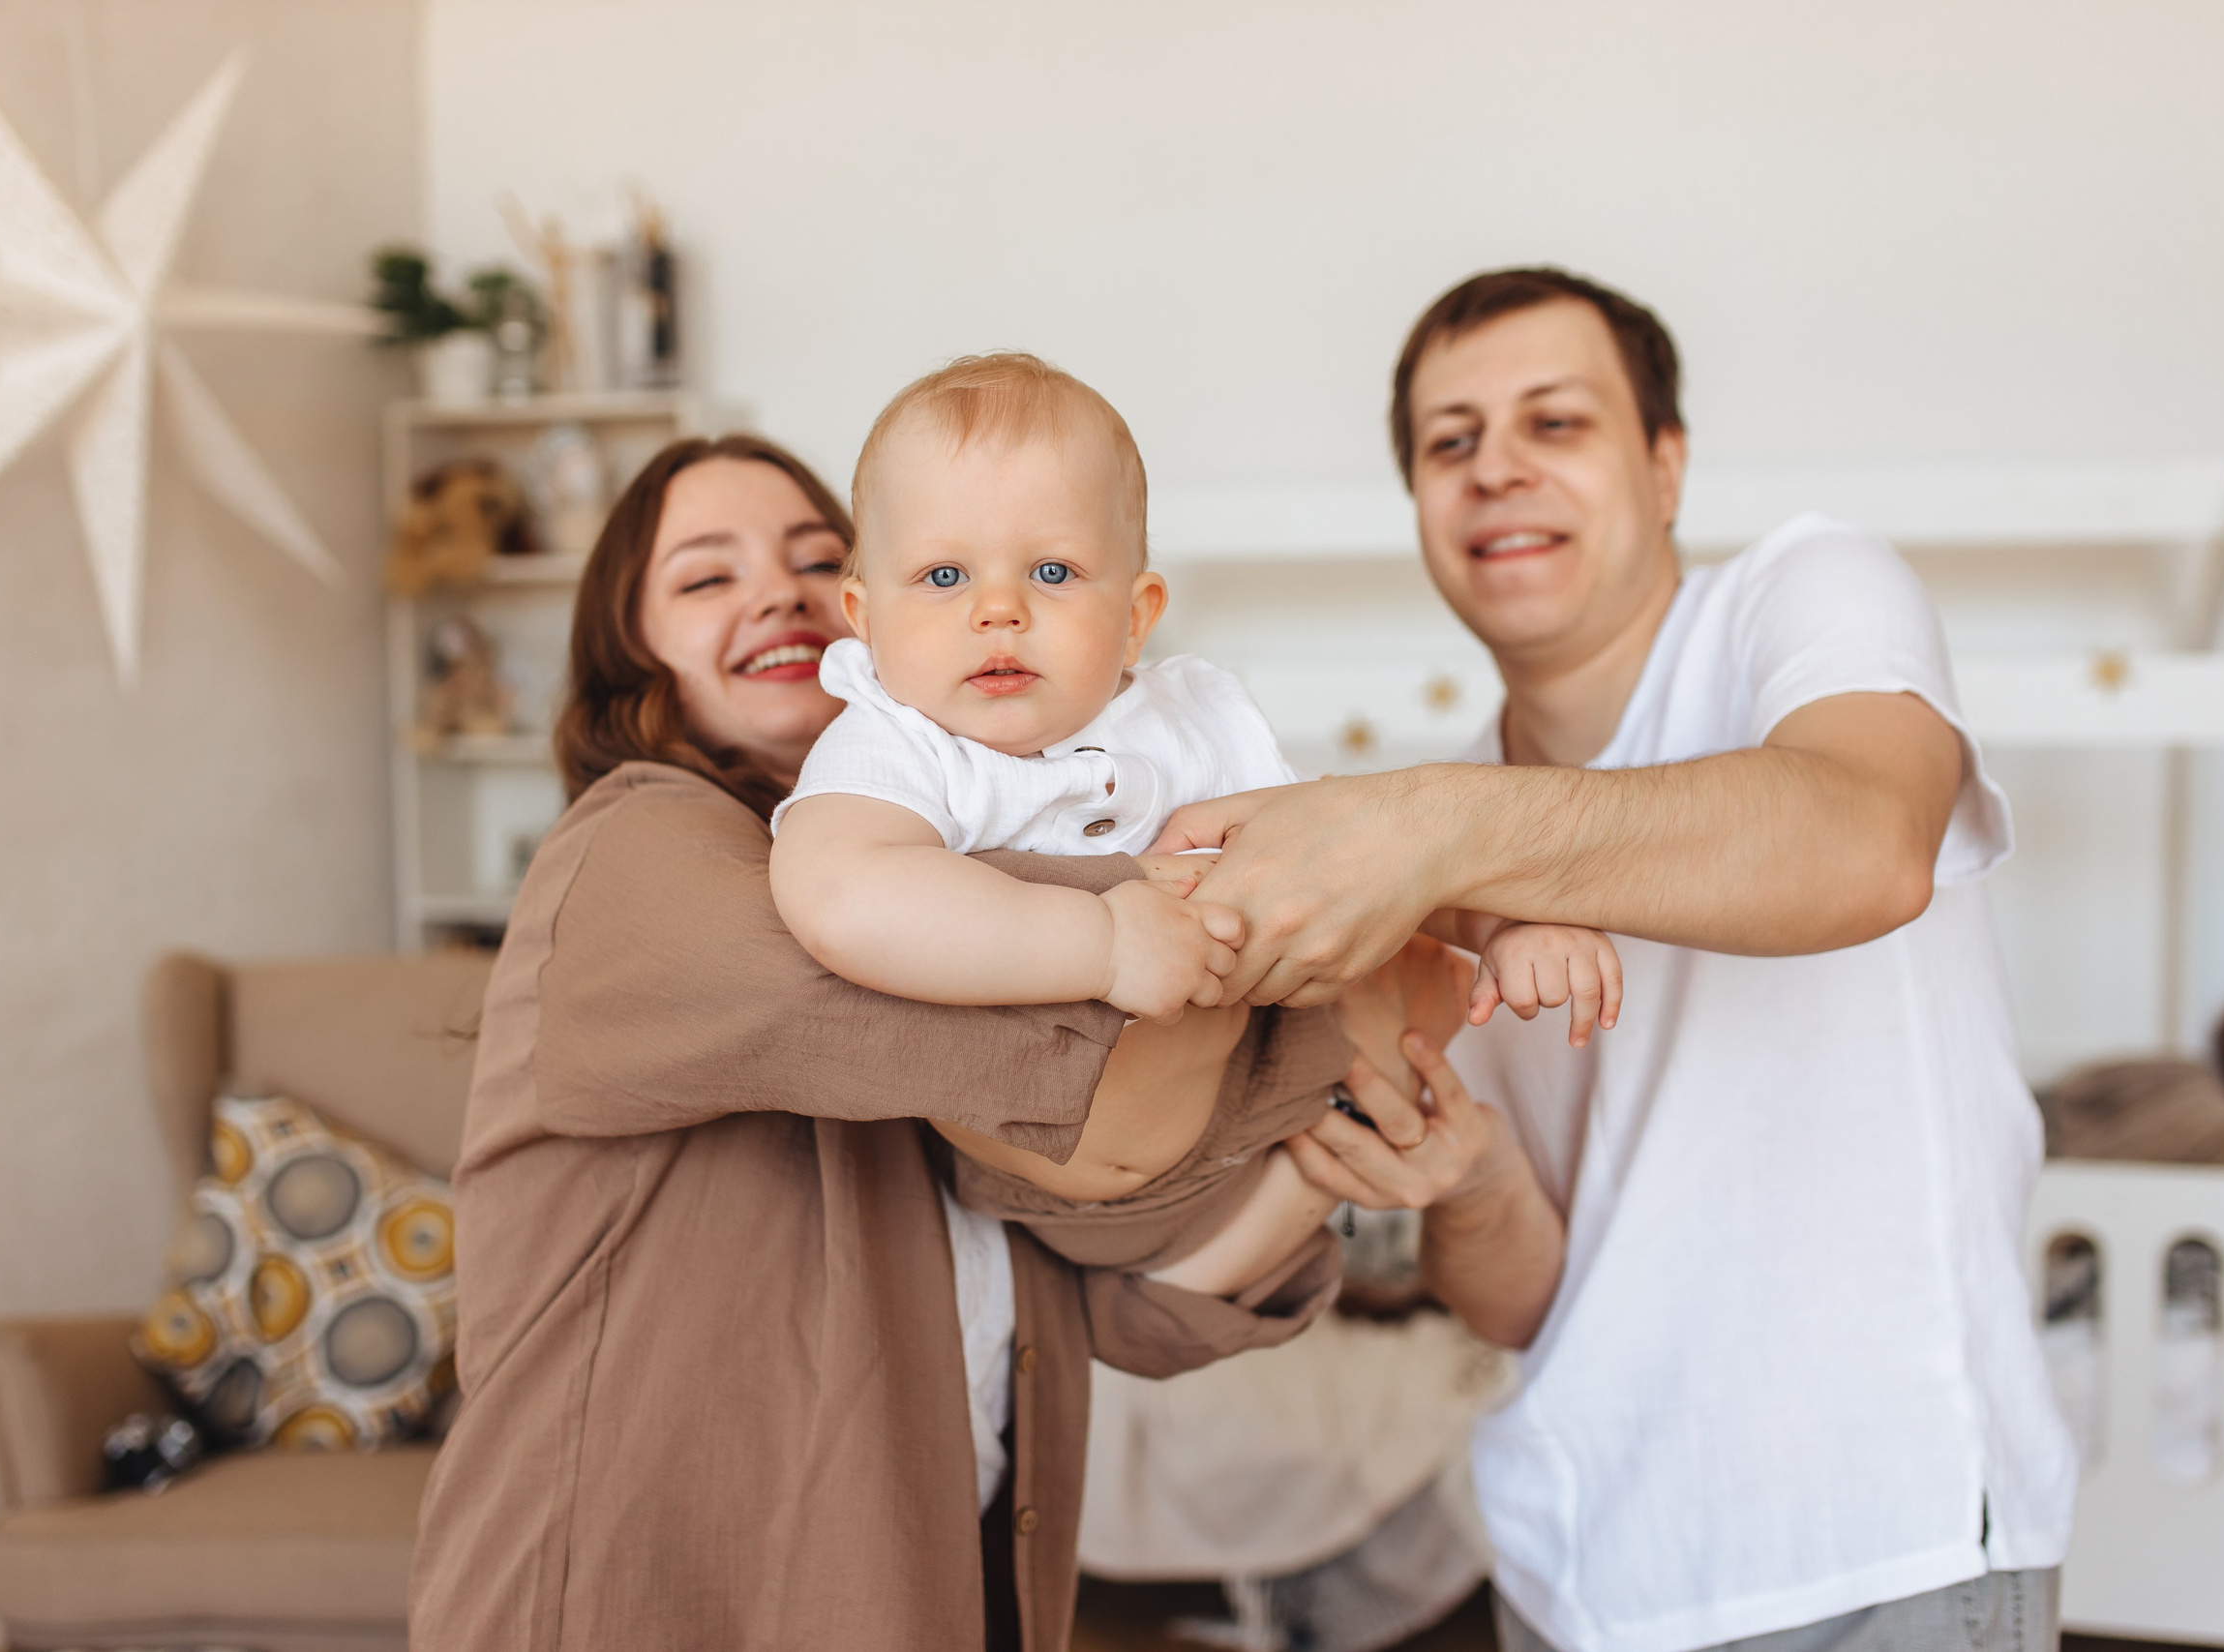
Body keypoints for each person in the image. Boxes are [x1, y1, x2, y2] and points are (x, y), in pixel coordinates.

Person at [406, 432, 1558, 1652]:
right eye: (705, 578)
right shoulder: (632, 850)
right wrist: (1301, 976)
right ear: (627, 655)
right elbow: (986, 1016)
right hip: (637, 1592)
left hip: (913, 1581)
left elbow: (1097, 1292)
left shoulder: (971, 899)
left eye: (815, 557)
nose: (778, 596)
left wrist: (1328, 1143)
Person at [1166, 268, 2076, 1652]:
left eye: (1556, 422)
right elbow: (1527, 1293)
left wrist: (1421, 822)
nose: (1497, 470)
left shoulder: (1811, 594)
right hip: (1577, 1566)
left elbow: (1868, 842)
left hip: (1877, 1549)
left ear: (1665, 466)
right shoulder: (1445, 828)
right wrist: (1466, 1180)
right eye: (1449, 441)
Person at [770, 351, 1618, 1280]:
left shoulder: (1189, 723)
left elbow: (1360, 854)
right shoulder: (897, 740)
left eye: (1052, 570)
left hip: (1253, 1103)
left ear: (1136, 618)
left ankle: (1368, 1125)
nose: (999, 610)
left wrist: (1503, 920)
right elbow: (840, 890)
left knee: (1409, 970)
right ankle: (1284, 1208)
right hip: (1050, 1185)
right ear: (864, 616)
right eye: (942, 577)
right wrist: (1100, 939)